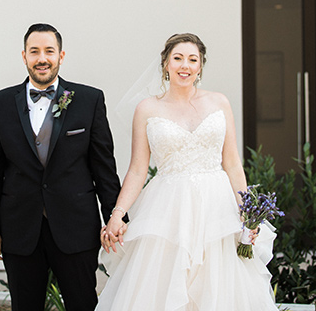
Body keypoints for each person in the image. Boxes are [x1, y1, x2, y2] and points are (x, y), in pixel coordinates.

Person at [96, 32, 277, 311]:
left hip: (217, 209)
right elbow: (137, 170)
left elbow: (231, 163)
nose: (185, 65)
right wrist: (117, 215)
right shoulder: (147, 109)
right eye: (178, 58)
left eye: (193, 59)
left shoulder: (219, 102)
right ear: (166, 64)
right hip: (168, 210)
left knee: (220, 286)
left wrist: (247, 212)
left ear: (200, 65)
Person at [0, 23, 123, 311]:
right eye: (34, 51)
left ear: (61, 55)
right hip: (19, 229)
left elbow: (104, 167)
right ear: (24, 56)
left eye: (49, 51)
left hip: (76, 227)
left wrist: (114, 219)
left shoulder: (89, 100)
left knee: (82, 303)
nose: (41, 58)